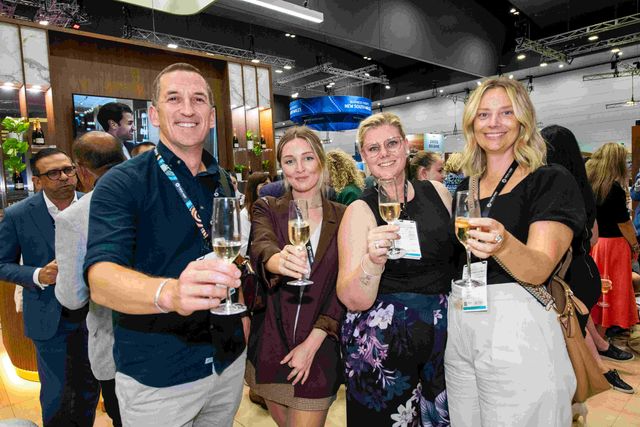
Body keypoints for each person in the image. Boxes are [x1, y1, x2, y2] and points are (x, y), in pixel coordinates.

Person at [84, 63, 246, 426]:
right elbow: (101, 279)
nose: (188, 109)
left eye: (198, 100)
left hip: (227, 363)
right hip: (159, 376)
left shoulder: (221, 179)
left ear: (211, 116)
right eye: (174, 99)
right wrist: (170, 293)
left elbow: (228, 255)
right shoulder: (122, 183)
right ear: (154, 115)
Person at [445, 78, 585, 426]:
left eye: (506, 113)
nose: (493, 123)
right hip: (463, 322)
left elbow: (539, 268)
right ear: (471, 123)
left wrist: (504, 244)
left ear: (524, 120)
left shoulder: (549, 180)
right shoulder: (466, 186)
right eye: (483, 114)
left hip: (518, 326)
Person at [337, 112, 454, 425]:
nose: (384, 153)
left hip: (443, 341)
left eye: (391, 143)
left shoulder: (438, 193)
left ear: (405, 146)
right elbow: (352, 298)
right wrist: (372, 263)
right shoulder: (359, 211)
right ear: (363, 157)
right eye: (373, 148)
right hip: (383, 348)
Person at [247, 126, 345, 427]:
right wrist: (279, 261)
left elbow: (341, 290)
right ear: (281, 167)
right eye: (290, 161)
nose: (299, 168)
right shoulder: (268, 208)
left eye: (308, 158)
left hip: (321, 346)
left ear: (321, 161)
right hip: (272, 346)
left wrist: (312, 343)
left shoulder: (344, 216)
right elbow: (261, 246)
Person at [0, 148, 99, 426]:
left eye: (68, 170)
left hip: (94, 313)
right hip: (49, 315)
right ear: (37, 181)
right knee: (57, 393)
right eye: (54, 173)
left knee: (90, 387)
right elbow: (2, 263)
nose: (64, 177)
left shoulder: (95, 205)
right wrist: (38, 275)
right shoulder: (18, 214)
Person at [543, 125, 634, 399]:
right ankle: (603, 351)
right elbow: (592, 235)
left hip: (566, 274)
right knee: (581, 321)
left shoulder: (550, 187)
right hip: (585, 270)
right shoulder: (581, 187)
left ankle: (601, 371)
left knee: (574, 327)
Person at [54, 131, 127, 427]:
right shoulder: (161, 196)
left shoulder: (75, 217)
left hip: (117, 345)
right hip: (178, 338)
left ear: (82, 171)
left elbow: (72, 297)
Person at [586, 143, 640, 335]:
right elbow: (624, 223)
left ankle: (598, 330)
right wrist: (635, 245)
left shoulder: (591, 184)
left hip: (596, 243)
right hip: (614, 246)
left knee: (599, 287)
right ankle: (605, 329)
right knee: (614, 288)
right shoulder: (614, 188)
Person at [240, 171, 270, 257]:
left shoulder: (274, 209)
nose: (269, 189)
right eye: (265, 185)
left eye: (270, 185)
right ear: (254, 188)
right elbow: (243, 248)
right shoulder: (245, 214)